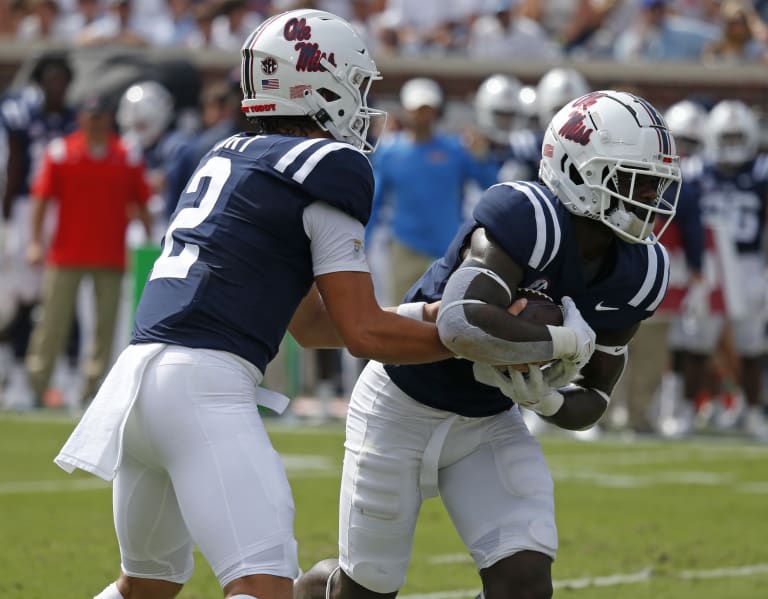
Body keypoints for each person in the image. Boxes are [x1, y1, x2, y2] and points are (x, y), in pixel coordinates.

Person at [53, 9, 451, 599]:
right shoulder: (330, 165)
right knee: (263, 585)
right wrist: (465, 338)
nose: (364, 103)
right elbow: (363, 333)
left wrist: (424, 319)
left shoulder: (231, 154)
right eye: (355, 84)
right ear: (316, 83)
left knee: (145, 589)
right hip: (202, 390)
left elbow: (315, 325)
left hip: (136, 387)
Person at [294, 89, 681, 599]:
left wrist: (545, 397)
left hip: (488, 420)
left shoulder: (642, 270)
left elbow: (595, 401)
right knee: (366, 588)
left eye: (657, 183)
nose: (651, 198)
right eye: (636, 180)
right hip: (402, 403)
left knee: (524, 580)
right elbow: (460, 322)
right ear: (580, 169)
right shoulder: (528, 216)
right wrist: (559, 340)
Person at [24, 92, 152, 408]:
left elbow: (142, 200)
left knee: (106, 325)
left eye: (101, 116)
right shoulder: (61, 152)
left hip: (109, 253)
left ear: (109, 119)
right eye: (91, 116)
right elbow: (41, 199)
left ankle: (92, 387)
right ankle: (37, 385)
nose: (96, 122)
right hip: (66, 253)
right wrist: (36, 241)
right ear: (81, 118)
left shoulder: (127, 155)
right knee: (52, 321)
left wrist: (150, 240)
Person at [367, 76, 498, 304]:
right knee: (401, 315)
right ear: (407, 110)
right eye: (418, 109)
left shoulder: (456, 149)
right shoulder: (389, 152)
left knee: (446, 315)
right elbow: (375, 201)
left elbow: (490, 184)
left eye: (428, 109)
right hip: (404, 246)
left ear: (437, 111)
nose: (423, 115)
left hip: (448, 248)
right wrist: (364, 244)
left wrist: (482, 156)